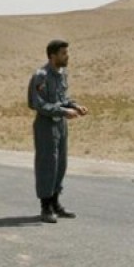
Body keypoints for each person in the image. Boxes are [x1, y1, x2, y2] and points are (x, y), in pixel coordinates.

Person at [27, 39, 88, 223]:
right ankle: (45, 206)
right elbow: (38, 104)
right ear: (52, 56)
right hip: (46, 125)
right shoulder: (41, 76)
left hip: (60, 125)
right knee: (47, 164)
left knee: (60, 164)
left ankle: (55, 202)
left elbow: (63, 98)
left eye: (66, 52)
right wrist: (63, 111)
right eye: (63, 53)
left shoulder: (62, 74)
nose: (67, 56)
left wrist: (75, 106)